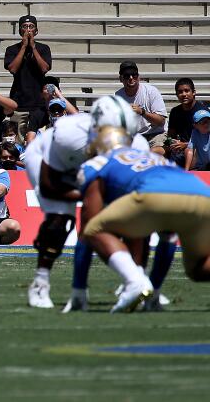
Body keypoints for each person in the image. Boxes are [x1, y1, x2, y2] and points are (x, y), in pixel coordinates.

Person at [22, 96, 148, 309]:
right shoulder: (67, 137)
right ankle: (40, 282)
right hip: (56, 164)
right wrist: (90, 197)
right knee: (59, 220)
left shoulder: (138, 144)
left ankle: (137, 278)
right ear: (96, 128)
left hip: (91, 167)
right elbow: (48, 186)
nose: (118, 140)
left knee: (132, 217)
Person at [79, 130, 210, 312]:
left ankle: (135, 282)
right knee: (198, 268)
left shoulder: (101, 161)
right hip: (202, 193)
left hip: (155, 194)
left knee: (93, 228)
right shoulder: (148, 156)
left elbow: (89, 218)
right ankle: (153, 295)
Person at [4, 15, 52, 137]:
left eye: (31, 26)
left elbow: (44, 68)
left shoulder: (44, 48)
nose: (28, 30)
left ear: (36, 31)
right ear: (20, 31)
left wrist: (33, 47)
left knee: (38, 137)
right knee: (19, 138)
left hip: (39, 102)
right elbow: (13, 69)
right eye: (25, 27)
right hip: (19, 101)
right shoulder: (12, 49)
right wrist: (24, 46)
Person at [114, 61, 167, 142]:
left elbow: (161, 121)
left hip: (156, 134)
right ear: (121, 79)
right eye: (126, 75)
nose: (131, 78)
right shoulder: (118, 96)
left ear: (139, 77)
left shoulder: (151, 91)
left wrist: (142, 112)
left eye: (134, 75)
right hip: (133, 137)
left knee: (156, 151)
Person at [159, 78, 207, 166]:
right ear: (177, 95)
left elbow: (206, 140)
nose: (184, 94)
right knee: (154, 152)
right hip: (179, 147)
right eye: (180, 92)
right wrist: (171, 144)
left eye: (187, 91)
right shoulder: (175, 111)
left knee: (188, 152)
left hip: (197, 148)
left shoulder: (202, 112)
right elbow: (171, 135)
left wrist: (186, 145)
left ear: (194, 92)